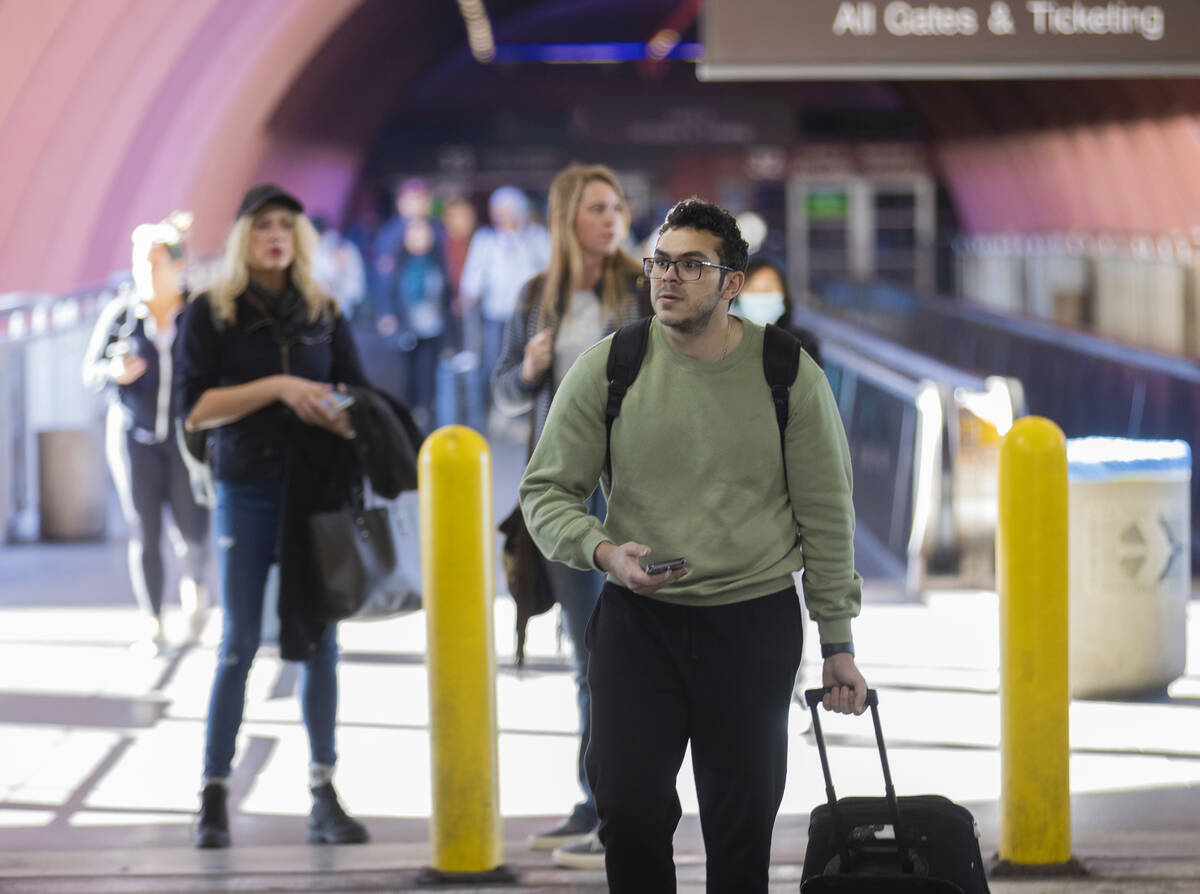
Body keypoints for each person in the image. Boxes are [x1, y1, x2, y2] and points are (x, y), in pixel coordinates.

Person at [519, 198, 868, 892]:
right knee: (630, 813)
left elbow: (827, 515)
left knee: (740, 835)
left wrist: (838, 643)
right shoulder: (610, 367)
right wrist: (603, 551)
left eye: (691, 264)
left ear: (731, 283)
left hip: (752, 623)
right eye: (660, 262)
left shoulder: (786, 374)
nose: (667, 277)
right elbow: (546, 491)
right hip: (637, 625)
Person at [176, 184, 370, 850]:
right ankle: (212, 793)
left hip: (315, 490)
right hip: (247, 487)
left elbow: (360, 392)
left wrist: (336, 406)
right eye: (264, 226)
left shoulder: (323, 309)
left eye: (288, 224)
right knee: (237, 645)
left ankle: (323, 789)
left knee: (321, 640)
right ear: (242, 239)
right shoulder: (210, 312)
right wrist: (283, 389)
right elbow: (195, 409)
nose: (277, 235)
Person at [492, 164, 650, 869]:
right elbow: (500, 399)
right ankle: (596, 803)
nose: (611, 218)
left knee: (616, 657)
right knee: (588, 657)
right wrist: (527, 373)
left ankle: (619, 811)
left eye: (616, 206)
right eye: (596, 208)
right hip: (563, 492)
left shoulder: (644, 285)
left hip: (633, 491)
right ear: (566, 218)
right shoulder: (537, 297)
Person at [82, 217, 209, 656]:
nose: (147, 273)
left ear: (178, 267)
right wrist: (113, 372)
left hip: (184, 442)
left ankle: (195, 585)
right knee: (145, 531)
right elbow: (91, 370)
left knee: (192, 530)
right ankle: (153, 624)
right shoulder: (122, 315)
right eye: (140, 264)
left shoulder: (198, 314)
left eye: (155, 263)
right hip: (134, 438)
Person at [460, 185, 550, 404]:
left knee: (528, 362)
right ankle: (498, 407)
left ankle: (526, 409)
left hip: (529, 313)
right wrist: (469, 294)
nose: (502, 217)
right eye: (498, 211)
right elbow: (473, 275)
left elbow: (550, 268)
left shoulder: (537, 237)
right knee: (496, 363)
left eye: (508, 210)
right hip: (496, 314)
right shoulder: (486, 239)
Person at [736, 254, 821, 366]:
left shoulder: (803, 346)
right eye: (752, 289)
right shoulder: (725, 346)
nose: (761, 296)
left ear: (784, 294)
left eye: (768, 288)